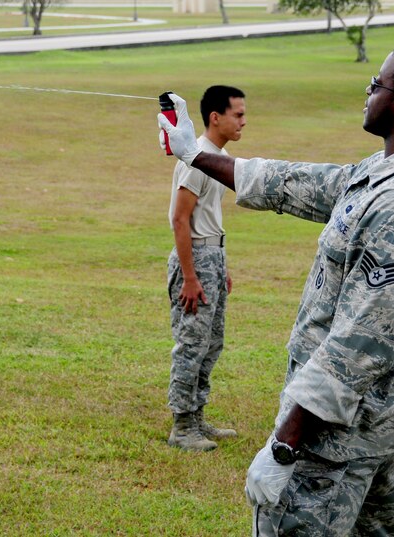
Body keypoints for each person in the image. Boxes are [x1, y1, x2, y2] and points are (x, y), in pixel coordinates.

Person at [159, 43, 394, 535]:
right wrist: (195, 153)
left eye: (378, 84)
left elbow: (357, 344)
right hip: (387, 422)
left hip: (340, 436)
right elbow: (298, 182)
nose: (368, 92)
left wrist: (284, 446)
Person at [165, 85, 246, 451]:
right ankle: (182, 427)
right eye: (238, 114)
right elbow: (180, 220)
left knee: (211, 343)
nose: (244, 120)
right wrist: (191, 276)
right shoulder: (196, 160)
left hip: (211, 258)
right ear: (216, 117)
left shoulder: (215, 156)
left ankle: (197, 418)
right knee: (191, 344)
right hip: (194, 259)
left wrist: (220, 266)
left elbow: (208, 216)